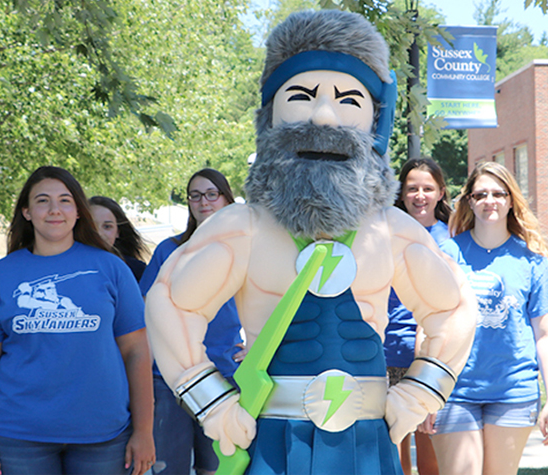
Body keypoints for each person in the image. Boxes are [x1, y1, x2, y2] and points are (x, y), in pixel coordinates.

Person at [143, 10, 477, 475]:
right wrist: (213, 405)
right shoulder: (243, 227)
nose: (323, 115)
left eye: (347, 100)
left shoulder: (392, 231)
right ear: (271, 115)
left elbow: (454, 306)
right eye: (301, 96)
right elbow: (171, 302)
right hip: (273, 438)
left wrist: (421, 391)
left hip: (366, 443)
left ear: (375, 124)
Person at [0, 166, 155, 475]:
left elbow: (137, 352)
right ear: (26, 211)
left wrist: (144, 431)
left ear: (78, 210)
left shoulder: (112, 269)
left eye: (65, 200)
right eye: (42, 201)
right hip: (18, 435)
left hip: (103, 433)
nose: (54, 210)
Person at [421, 161, 548, 475]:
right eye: (481, 194)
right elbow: (428, 326)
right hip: (455, 391)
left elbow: (545, 335)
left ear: (511, 200)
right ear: (469, 201)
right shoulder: (448, 254)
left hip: (513, 391)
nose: (490, 201)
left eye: (499, 194)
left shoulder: (532, 260)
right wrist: (425, 390)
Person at [139, 168, 244, 475]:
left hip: (222, 374)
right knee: (167, 469)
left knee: (216, 469)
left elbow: (268, 306)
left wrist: (255, 347)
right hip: (171, 378)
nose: (204, 202)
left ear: (227, 199)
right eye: (195, 195)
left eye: (212, 194)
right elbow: (147, 313)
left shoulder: (244, 250)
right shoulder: (169, 250)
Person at [385, 158, 458, 475]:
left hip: (431, 357)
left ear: (440, 193)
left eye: (427, 189)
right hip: (386, 356)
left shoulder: (451, 241)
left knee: (430, 452)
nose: (419, 195)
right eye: (412, 188)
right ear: (401, 193)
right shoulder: (386, 234)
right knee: (392, 455)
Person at [89, 196, 150, 281]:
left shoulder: (137, 270)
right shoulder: (67, 266)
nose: (99, 233)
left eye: (107, 226)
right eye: (91, 226)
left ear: (118, 232)